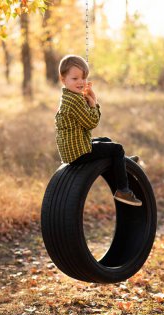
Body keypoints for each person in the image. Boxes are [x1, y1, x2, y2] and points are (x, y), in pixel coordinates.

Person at [55, 54, 142, 206]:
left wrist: (88, 101)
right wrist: (93, 103)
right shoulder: (74, 101)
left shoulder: (68, 96)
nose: (81, 82)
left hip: (72, 149)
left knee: (106, 141)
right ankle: (123, 191)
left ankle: (121, 163)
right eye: (75, 79)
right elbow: (91, 122)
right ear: (63, 79)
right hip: (78, 153)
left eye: (84, 78)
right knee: (117, 149)